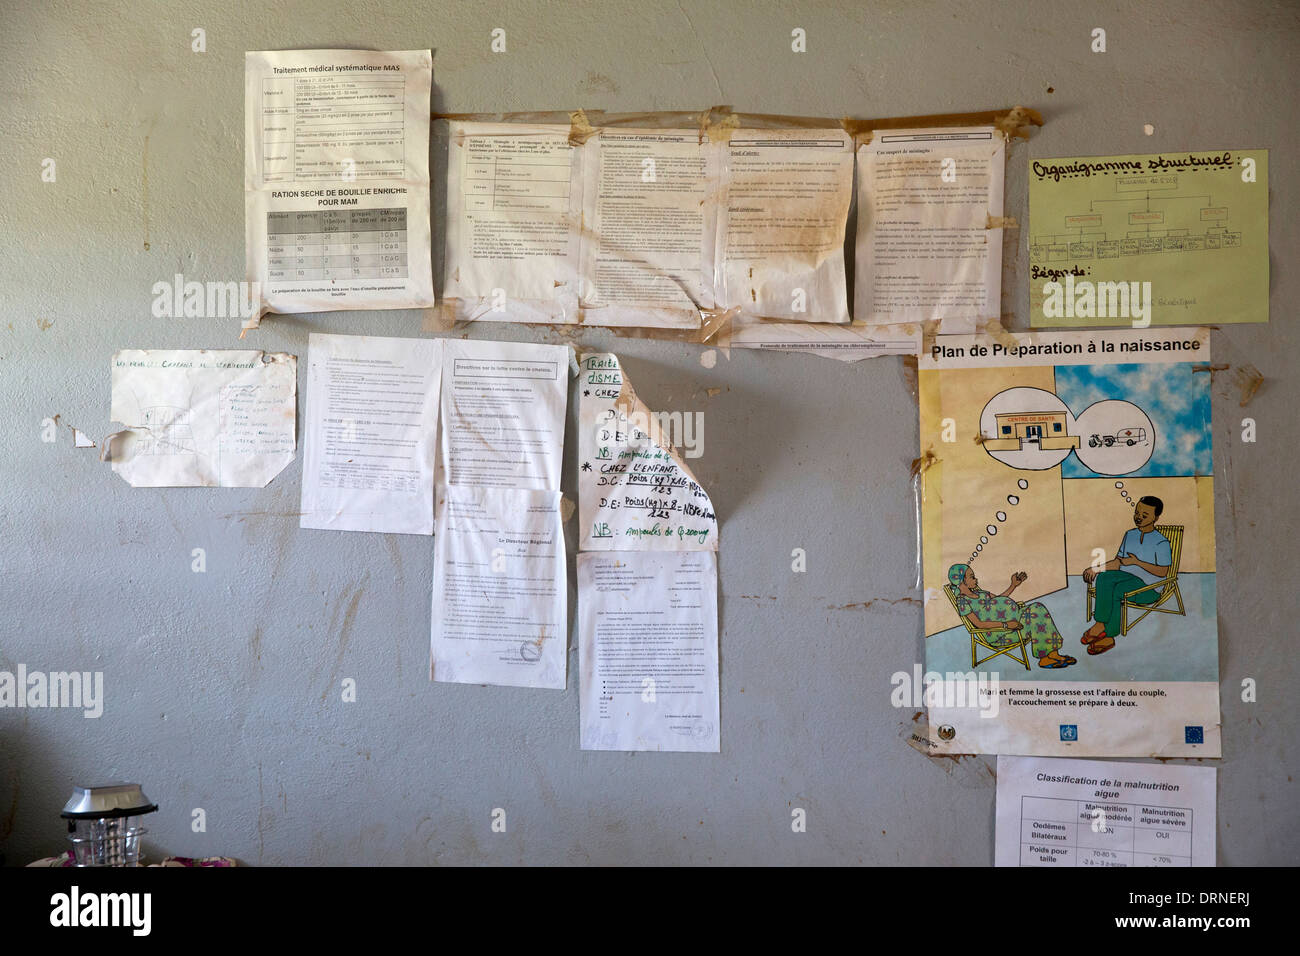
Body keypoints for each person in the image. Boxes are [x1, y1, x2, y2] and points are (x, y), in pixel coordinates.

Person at [1080, 495, 1172, 655]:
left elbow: (1163, 572)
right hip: (1129, 578)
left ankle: (1109, 635)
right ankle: (1101, 624)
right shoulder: (1130, 535)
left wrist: (1137, 562)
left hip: (1150, 588)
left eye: (1145, 515)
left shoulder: (1161, 542)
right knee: (1103, 577)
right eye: (1137, 513)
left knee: (1117, 591)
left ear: (1156, 518)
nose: (1139, 518)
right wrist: (1096, 568)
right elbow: (1118, 562)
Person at [948, 563, 1076, 668]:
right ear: (961, 582)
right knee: (1035, 618)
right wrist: (1006, 624)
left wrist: (1013, 585)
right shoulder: (963, 601)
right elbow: (979, 624)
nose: (976, 579)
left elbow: (999, 599)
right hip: (1000, 633)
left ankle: (1053, 654)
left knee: (1037, 607)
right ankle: (1044, 659)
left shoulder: (980, 593)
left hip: (1013, 621)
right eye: (971, 577)